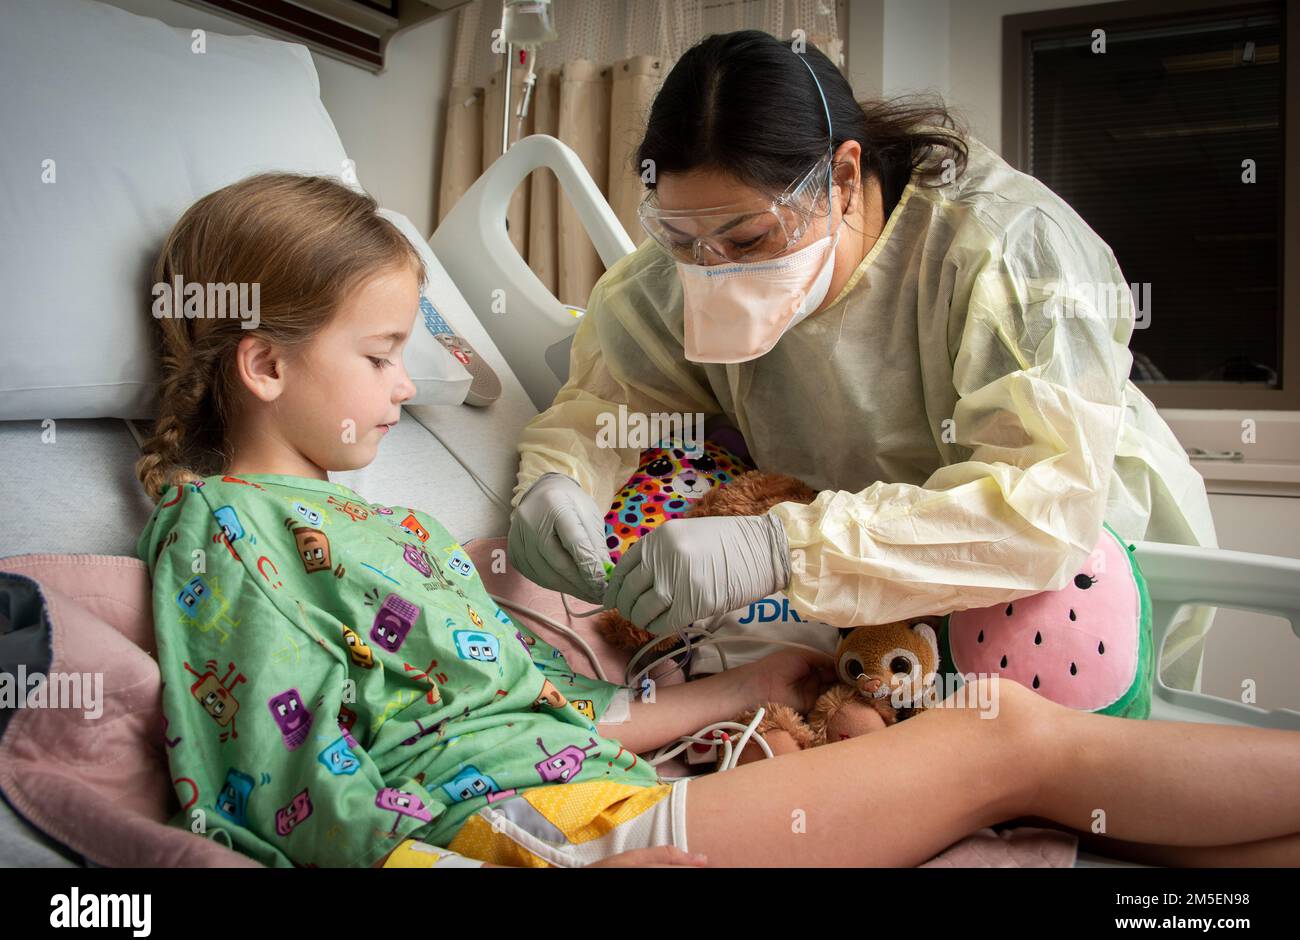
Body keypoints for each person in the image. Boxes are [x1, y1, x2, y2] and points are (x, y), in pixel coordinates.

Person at [134, 171, 1300, 869]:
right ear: (264, 366)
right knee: (999, 732)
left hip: (586, 800)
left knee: (1063, 783)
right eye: (385, 355)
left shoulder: (391, 532)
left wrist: (744, 688)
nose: (408, 386)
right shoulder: (225, 533)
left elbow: (562, 719)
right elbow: (270, 785)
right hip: (533, 845)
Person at [507, 30, 1218, 693]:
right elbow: (608, 403)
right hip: (868, 604)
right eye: (683, 239)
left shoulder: (1003, 252)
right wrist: (557, 478)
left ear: (843, 177)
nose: (710, 269)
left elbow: (1038, 510)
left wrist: (783, 550)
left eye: (749, 238)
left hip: (1072, 565)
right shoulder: (675, 273)